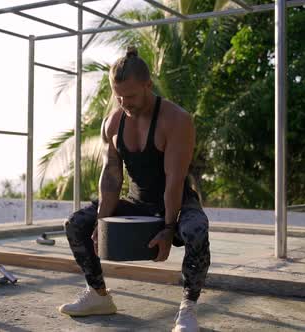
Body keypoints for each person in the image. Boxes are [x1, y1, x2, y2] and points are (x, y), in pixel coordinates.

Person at [59, 46, 210, 332]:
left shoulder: (176, 120)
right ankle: (99, 295)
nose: (123, 102)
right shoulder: (113, 122)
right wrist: (101, 221)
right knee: (76, 224)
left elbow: (175, 180)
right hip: (136, 200)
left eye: (130, 96)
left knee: (197, 230)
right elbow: (112, 177)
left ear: (148, 85)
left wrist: (167, 229)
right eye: (118, 95)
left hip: (175, 202)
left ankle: (188, 310)